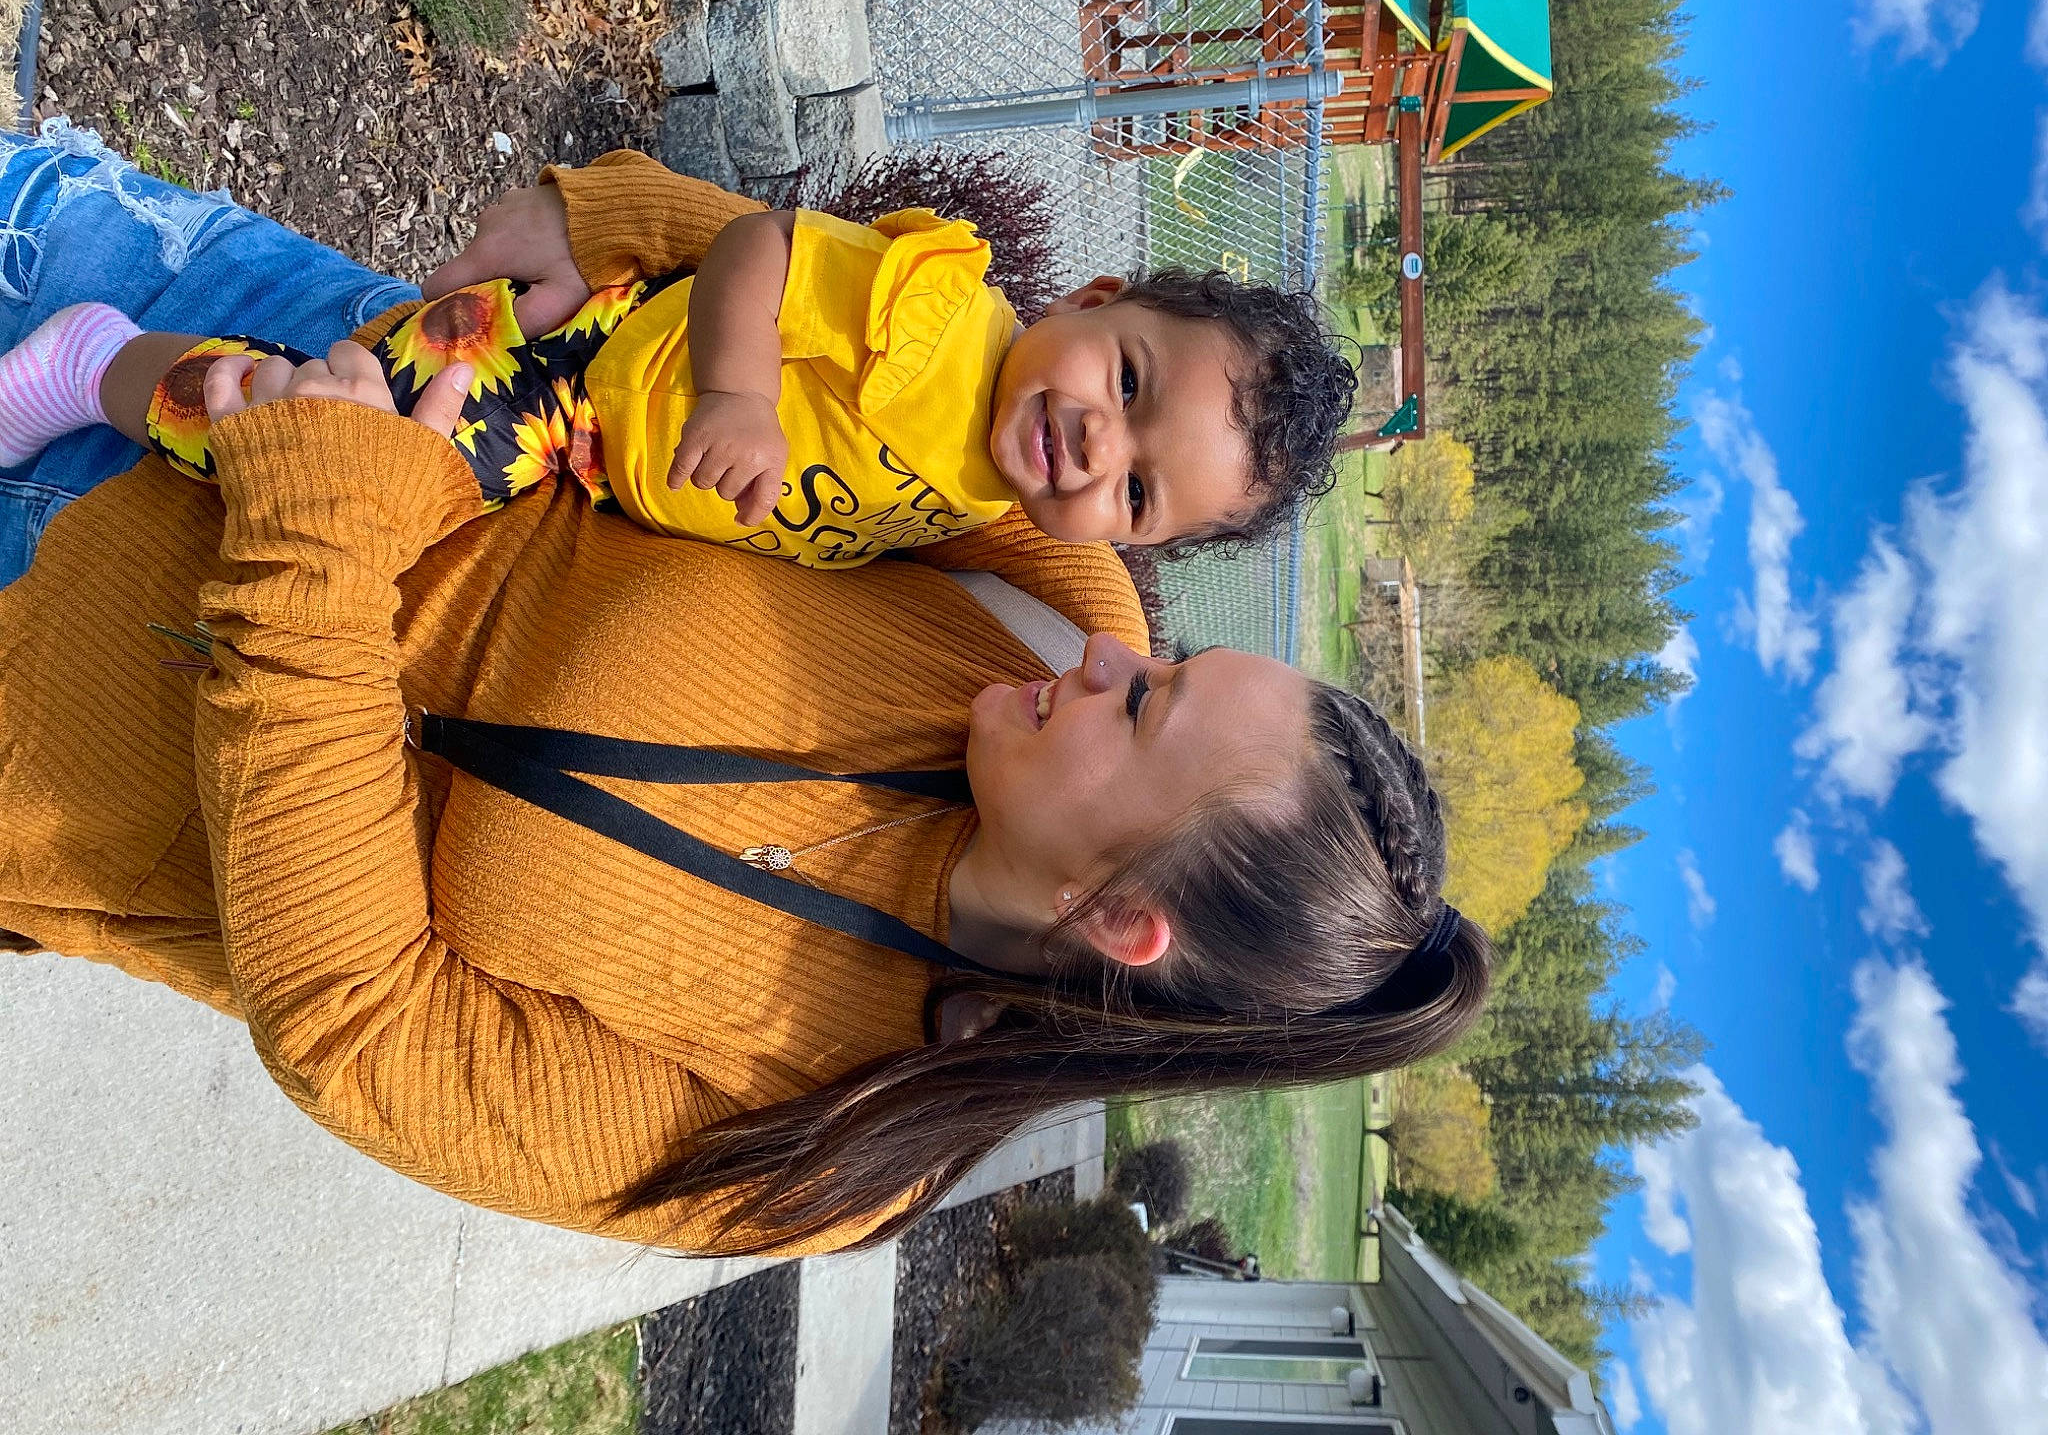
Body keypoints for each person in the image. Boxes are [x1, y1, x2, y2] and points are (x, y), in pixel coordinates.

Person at [0, 123, 1487, 1255]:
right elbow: (863, 335)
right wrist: (617, 218)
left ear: (1120, 920)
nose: (1113, 650)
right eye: (1164, 657)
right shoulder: (1044, 609)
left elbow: (357, 1025)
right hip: (222, 328)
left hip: (49, 724)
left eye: (1145, 707)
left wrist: (314, 530)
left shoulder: (828, 1150)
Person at [0, 164, 1354, 569]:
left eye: (1137, 496)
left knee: (337, 433)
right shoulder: (944, 317)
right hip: (571, 374)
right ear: (1097, 300)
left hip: (584, 472)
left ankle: (124, 374)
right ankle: (97, 365)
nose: (1096, 449)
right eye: (1127, 384)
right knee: (320, 433)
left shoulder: (994, 507)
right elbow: (763, 246)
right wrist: (736, 397)